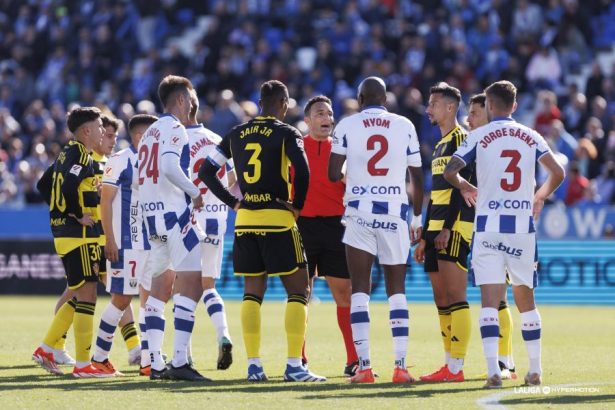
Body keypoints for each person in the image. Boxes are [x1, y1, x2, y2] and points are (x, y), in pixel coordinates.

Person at [199, 79, 326, 382]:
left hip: (245, 223)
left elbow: (206, 171)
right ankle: (294, 365)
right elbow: (303, 172)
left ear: (259, 102)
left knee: (252, 295)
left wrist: (233, 202)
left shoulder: (236, 133)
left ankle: (254, 366)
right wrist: (296, 205)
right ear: (283, 104)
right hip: (278, 221)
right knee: (299, 291)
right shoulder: (286, 132)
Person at [443, 80, 565, 388]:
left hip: (488, 227)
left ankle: (493, 373)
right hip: (521, 227)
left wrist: (465, 185)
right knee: (526, 299)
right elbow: (559, 172)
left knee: (489, 301)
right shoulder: (531, 135)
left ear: (489, 107)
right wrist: (540, 197)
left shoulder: (479, 135)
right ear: (514, 105)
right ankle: (534, 370)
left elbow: (450, 170)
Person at [328, 76, 424, 384]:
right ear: (385, 99)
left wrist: (354, 173)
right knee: (397, 290)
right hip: (394, 212)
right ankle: (400, 366)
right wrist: (418, 217)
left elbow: (332, 173)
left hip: (359, 212)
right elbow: (418, 177)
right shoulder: (404, 124)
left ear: (359, 98)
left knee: (360, 290)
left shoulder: (346, 125)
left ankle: (365, 367)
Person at [138, 75, 207, 381]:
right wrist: (194, 192)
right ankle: (179, 361)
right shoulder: (175, 127)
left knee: (158, 290)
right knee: (191, 284)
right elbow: (168, 165)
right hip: (174, 215)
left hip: (152, 218)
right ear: (181, 99)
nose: (193, 103)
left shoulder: (150, 130)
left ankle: (154, 362)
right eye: (191, 97)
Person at [32, 107, 110, 377]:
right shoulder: (79, 153)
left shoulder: (66, 153)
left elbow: (44, 184)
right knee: (87, 294)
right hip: (79, 236)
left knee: (79, 293)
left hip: (63, 233)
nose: (102, 131)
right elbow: (66, 188)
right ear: (86, 130)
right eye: (100, 126)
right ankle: (82, 364)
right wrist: (76, 214)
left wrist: (59, 211)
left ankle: (47, 348)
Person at [90, 114, 158, 377]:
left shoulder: (153, 163)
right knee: (121, 299)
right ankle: (98, 358)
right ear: (140, 136)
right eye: (154, 134)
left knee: (150, 299)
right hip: (125, 243)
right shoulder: (120, 161)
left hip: (149, 244)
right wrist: (110, 239)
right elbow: (105, 202)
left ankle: (147, 359)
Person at [414, 83, 473, 383]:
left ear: (450, 107)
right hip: (436, 229)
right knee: (440, 298)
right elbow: (437, 194)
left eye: (434, 103)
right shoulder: (439, 144)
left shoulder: (463, 140)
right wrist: (426, 234)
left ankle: (456, 368)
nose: (428, 109)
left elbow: (460, 192)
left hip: (454, 228)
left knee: (454, 294)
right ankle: (448, 364)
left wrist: (447, 228)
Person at [296, 95, 358, 377]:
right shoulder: (295, 148)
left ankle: (353, 360)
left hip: (337, 226)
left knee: (344, 293)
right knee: (301, 295)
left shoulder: (345, 149)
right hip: (303, 226)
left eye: (329, 114)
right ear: (307, 120)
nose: (326, 118)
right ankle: (298, 358)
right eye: (320, 113)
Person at [467, 93, 517, 380]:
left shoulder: (488, 145)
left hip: (496, 228)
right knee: (495, 298)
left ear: (489, 112)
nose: (469, 119)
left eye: (475, 112)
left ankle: (504, 360)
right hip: (482, 228)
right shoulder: (477, 144)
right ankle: (504, 360)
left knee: (498, 299)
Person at [186, 90, 234, 370]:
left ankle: (185, 354)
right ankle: (223, 334)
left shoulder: (177, 138)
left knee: (184, 289)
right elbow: (231, 180)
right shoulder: (217, 139)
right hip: (216, 219)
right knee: (209, 287)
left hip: (188, 220)